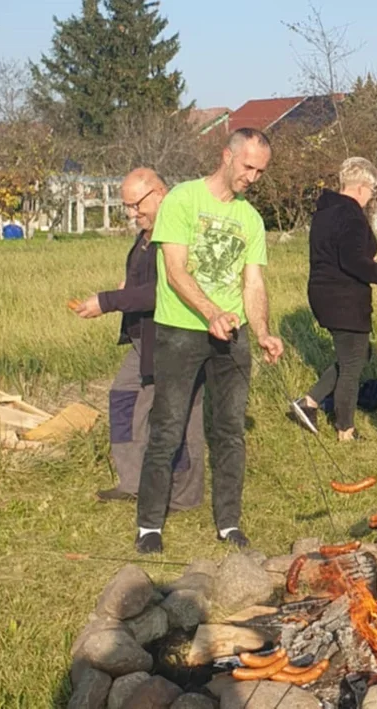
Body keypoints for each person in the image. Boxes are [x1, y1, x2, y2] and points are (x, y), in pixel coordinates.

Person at [134, 128, 284, 554]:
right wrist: (210, 313)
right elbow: (176, 270)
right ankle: (149, 525)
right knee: (169, 426)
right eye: (247, 166)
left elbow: (252, 283)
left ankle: (228, 523)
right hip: (181, 330)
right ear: (226, 156)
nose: (252, 177)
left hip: (232, 335)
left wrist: (263, 332)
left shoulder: (251, 219)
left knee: (230, 430)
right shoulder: (182, 199)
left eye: (260, 171)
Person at [74, 168, 205, 509]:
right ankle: (133, 481)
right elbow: (141, 283)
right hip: (141, 339)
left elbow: (166, 290)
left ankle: (183, 497)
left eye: (136, 205)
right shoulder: (147, 232)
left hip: (174, 340)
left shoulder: (178, 229)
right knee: (123, 399)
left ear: (159, 192)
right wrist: (124, 290)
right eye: (127, 207)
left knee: (178, 415)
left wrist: (107, 301)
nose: (132, 214)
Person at [290, 158, 377, 440]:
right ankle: (345, 429)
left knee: (359, 355)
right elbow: (353, 261)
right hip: (344, 298)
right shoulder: (350, 215)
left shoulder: (325, 212)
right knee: (352, 364)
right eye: (372, 191)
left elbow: (338, 255)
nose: (371, 197)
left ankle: (310, 402)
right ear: (362, 187)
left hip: (324, 294)